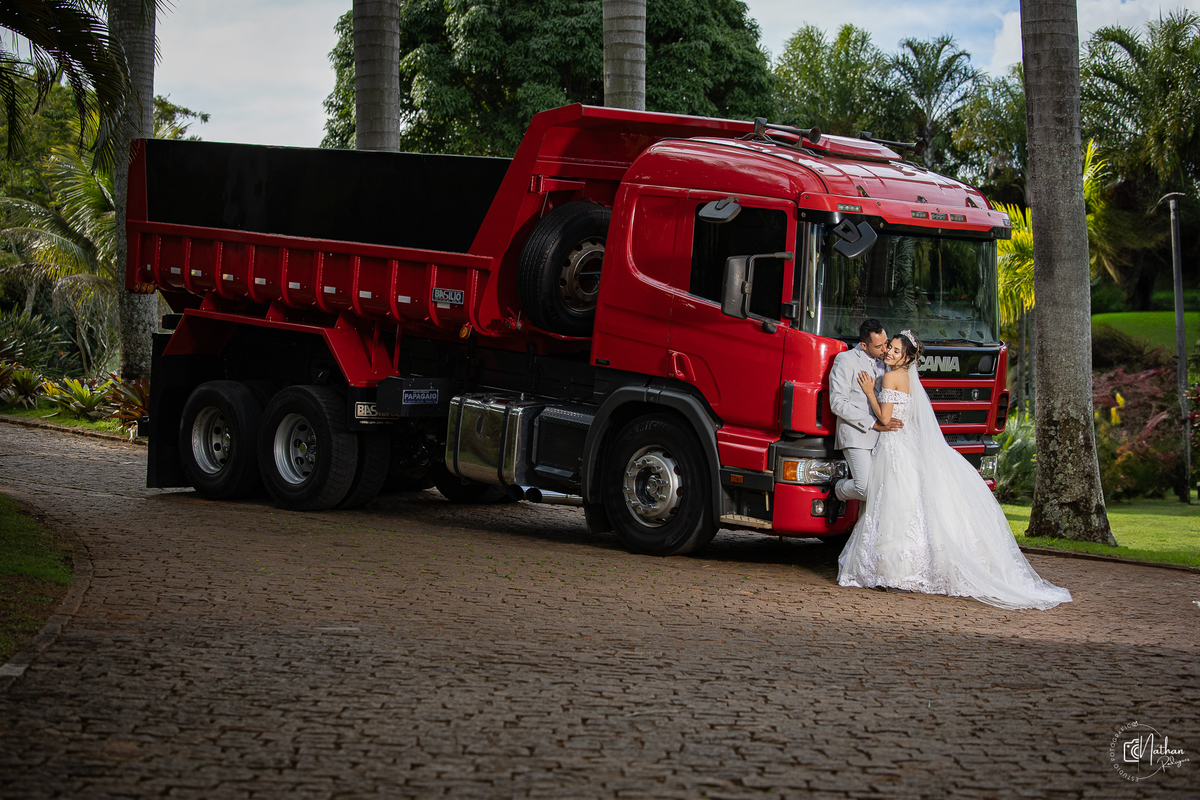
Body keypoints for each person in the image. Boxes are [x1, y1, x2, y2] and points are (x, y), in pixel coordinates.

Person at [837, 330, 1072, 610]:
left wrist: (868, 392)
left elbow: (886, 418)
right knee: (907, 505)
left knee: (894, 505)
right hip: (905, 444)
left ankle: (895, 570)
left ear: (907, 358)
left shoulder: (890, 377)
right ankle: (906, 569)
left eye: (896, 351)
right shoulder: (908, 377)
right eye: (890, 348)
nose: (889, 353)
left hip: (894, 445)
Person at [828, 319, 903, 514]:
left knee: (884, 489)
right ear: (863, 345)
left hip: (885, 439)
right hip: (857, 434)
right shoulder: (845, 360)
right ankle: (837, 489)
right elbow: (837, 403)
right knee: (866, 488)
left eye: (886, 343)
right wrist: (873, 423)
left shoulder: (888, 362)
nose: (885, 349)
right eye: (879, 346)